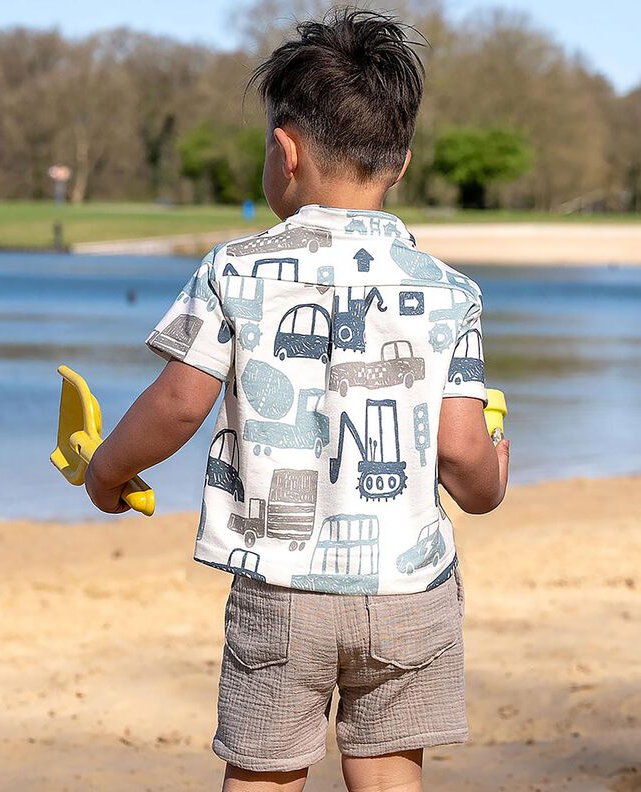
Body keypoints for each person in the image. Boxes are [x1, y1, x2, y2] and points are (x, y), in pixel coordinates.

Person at [85, 9, 510, 791]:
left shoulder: (234, 270)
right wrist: (493, 478)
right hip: (410, 587)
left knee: (265, 772)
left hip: (282, 589)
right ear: (402, 161)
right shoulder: (450, 292)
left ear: (284, 151)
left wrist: (106, 470)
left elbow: (180, 403)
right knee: (387, 770)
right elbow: (462, 452)